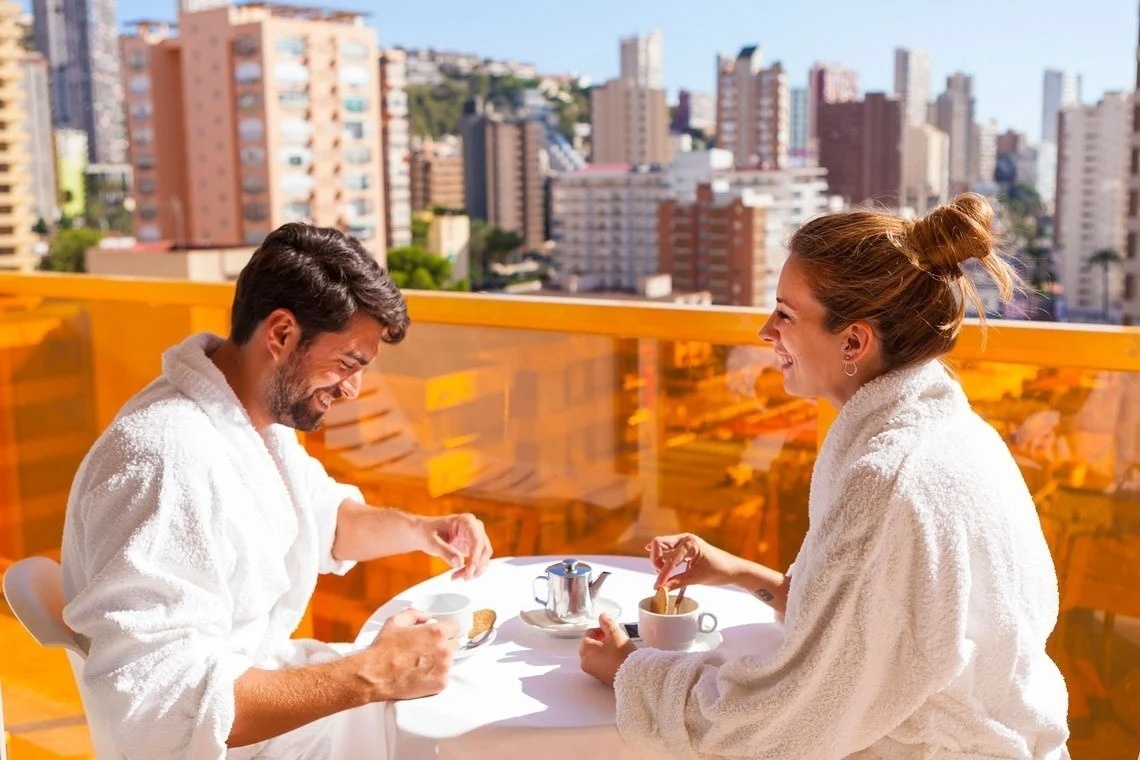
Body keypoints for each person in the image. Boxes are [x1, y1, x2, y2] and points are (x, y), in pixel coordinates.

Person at [579, 194, 1070, 759]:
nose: (766, 331)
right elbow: (872, 629)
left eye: (786, 314)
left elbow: (777, 720)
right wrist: (737, 571)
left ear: (854, 342)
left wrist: (632, 670)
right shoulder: (955, 435)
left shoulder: (889, 478)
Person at [61, 223, 493, 759]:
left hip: (254, 694)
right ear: (282, 333)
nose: (353, 390)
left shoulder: (249, 422)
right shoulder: (165, 459)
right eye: (346, 364)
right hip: (218, 746)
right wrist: (371, 673)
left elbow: (321, 521)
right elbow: (158, 705)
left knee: (451, 700)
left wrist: (422, 531)